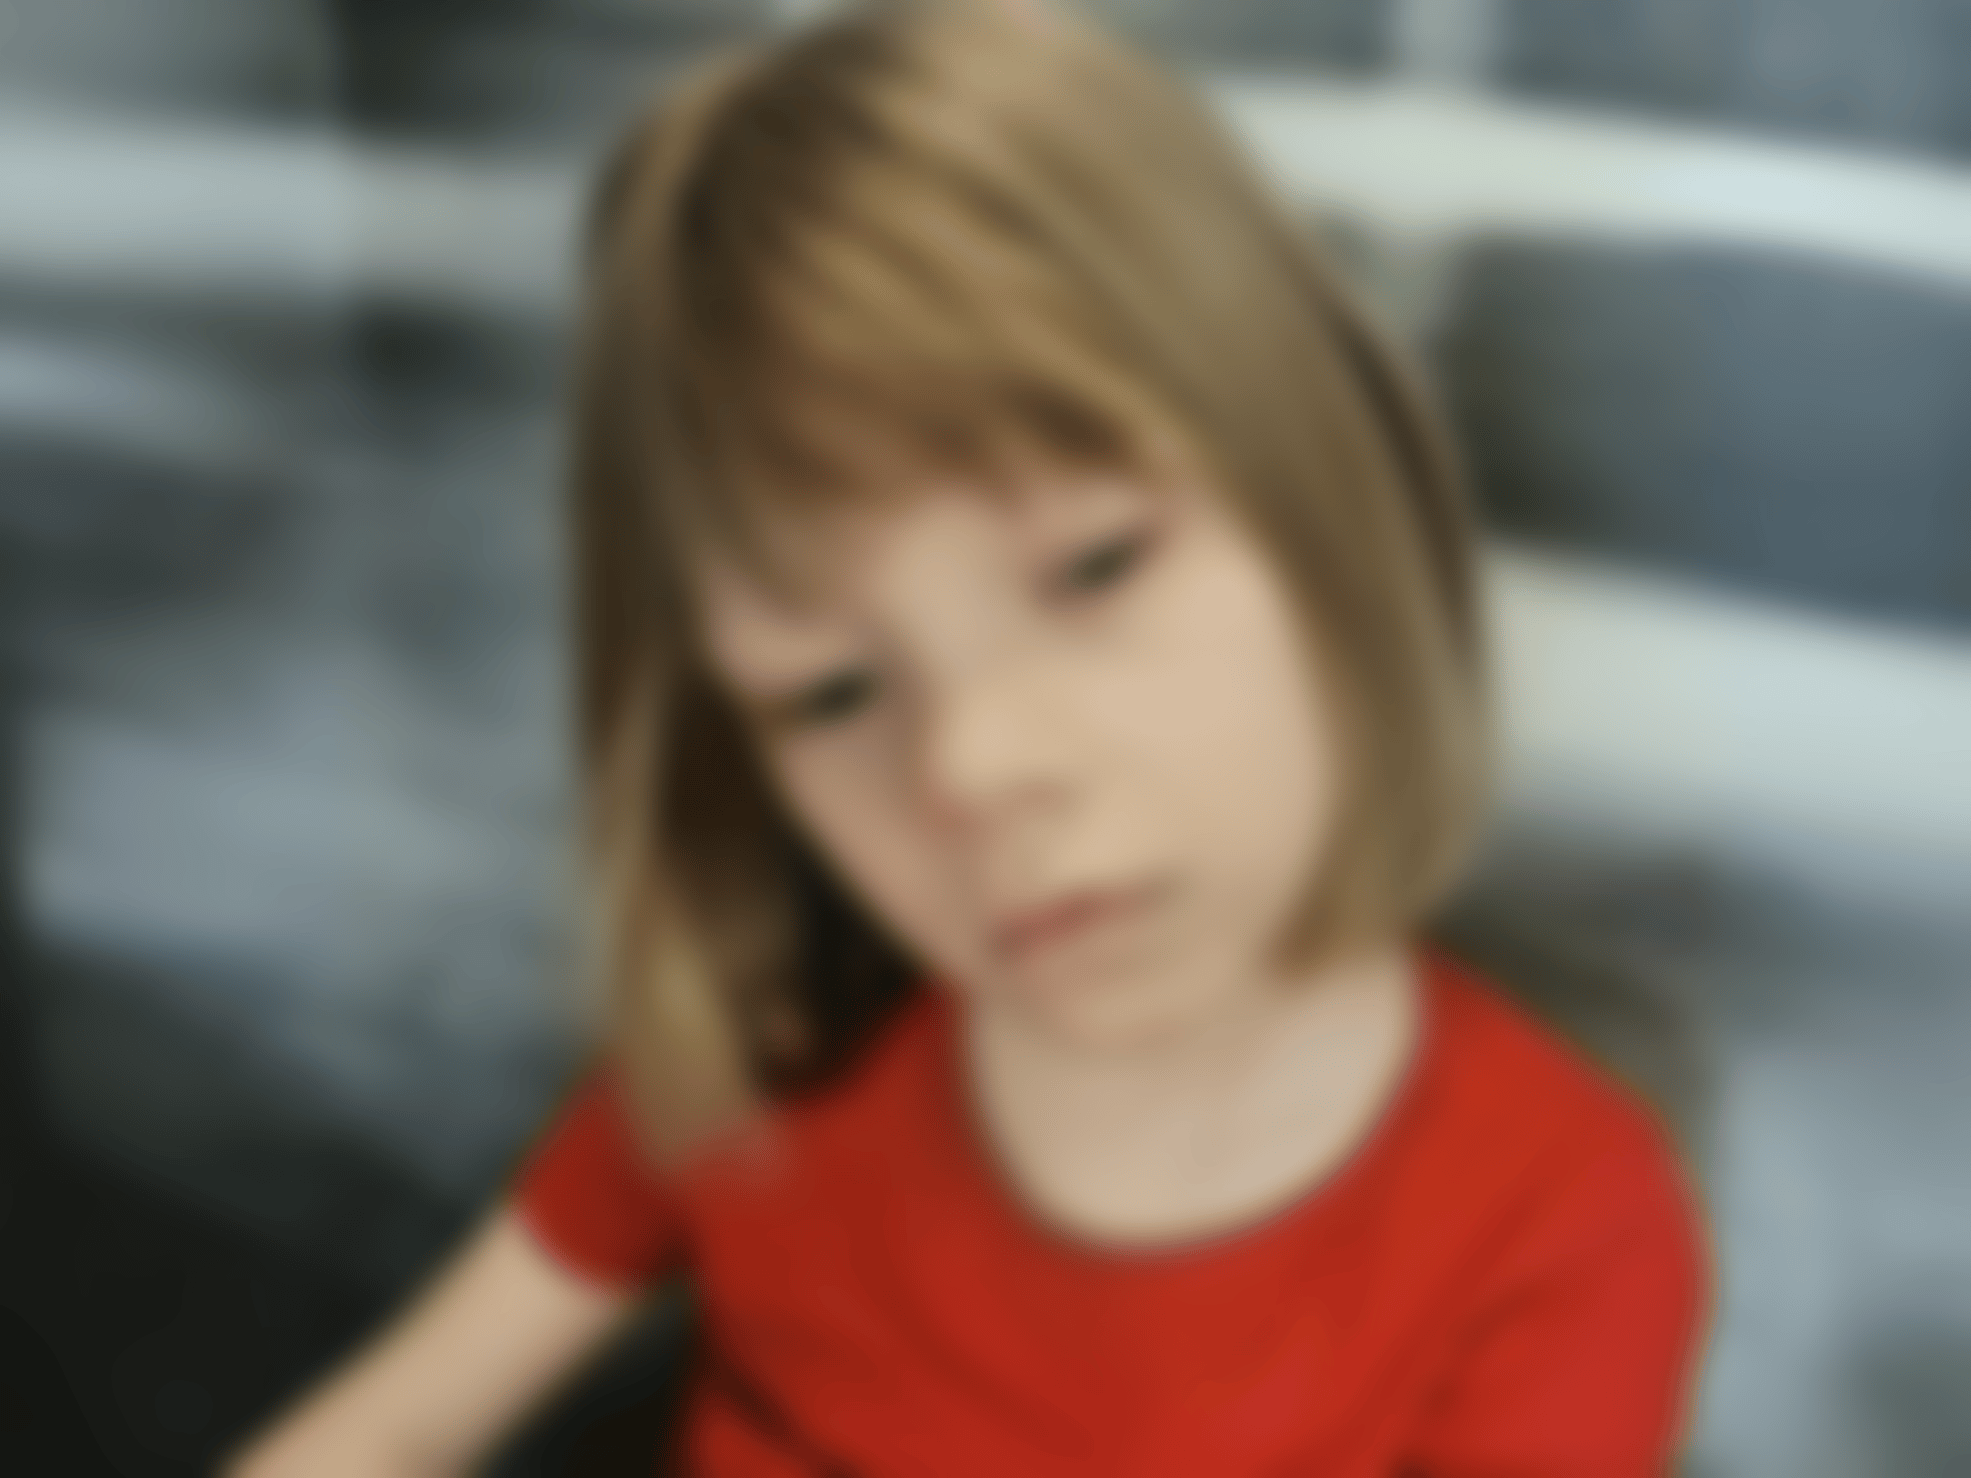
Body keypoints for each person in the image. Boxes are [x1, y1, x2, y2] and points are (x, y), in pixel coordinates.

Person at [223, 1, 1709, 1473]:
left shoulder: (1559, 1227)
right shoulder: (760, 1054)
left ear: (1335, 486)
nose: (972, 769)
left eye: (1096, 565)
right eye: (827, 693)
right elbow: (395, 1425)